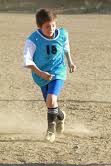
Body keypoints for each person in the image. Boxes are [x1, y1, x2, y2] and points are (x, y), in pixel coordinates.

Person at [23, 8, 76, 142]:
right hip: (40, 74)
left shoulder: (62, 34)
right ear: (40, 27)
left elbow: (66, 47)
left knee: (51, 99)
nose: (51, 28)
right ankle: (61, 116)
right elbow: (27, 60)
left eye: (53, 25)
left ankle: (50, 132)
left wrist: (70, 63)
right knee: (50, 103)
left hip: (58, 71)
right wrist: (41, 73)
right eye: (47, 26)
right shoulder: (33, 39)